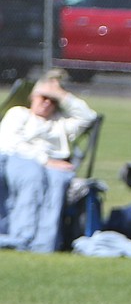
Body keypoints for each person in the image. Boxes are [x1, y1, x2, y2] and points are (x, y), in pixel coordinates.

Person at [0, 70, 98, 253]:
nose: (47, 103)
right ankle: (20, 236)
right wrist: (44, 161)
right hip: (18, 160)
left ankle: (43, 244)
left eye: (52, 100)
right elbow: (9, 143)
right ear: (32, 97)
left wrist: (62, 94)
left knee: (56, 182)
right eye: (43, 97)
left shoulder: (60, 123)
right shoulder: (18, 114)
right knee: (33, 176)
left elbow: (88, 117)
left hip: (54, 166)